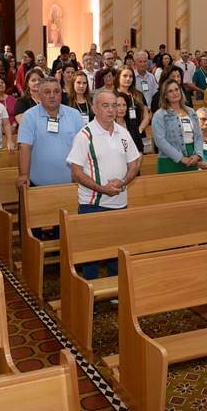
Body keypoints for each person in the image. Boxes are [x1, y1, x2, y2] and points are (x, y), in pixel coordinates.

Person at [65, 90, 141, 277]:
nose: (110, 110)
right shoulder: (85, 135)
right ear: (94, 108)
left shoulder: (123, 132)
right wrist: (103, 189)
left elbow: (134, 164)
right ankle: (88, 295)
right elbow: (76, 172)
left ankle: (116, 292)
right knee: (90, 255)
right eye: (105, 105)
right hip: (93, 204)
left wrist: (123, 182)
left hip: (120, 202)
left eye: (114, 105)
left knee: (117, 251)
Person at [16, 77, 86, 189]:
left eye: (56, 92)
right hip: (38, 186)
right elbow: (24, 148)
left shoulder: (74, 115)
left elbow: (84, 146)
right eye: (47, 92)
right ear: (39, 95)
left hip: (71, 184)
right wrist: (24, 175)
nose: (52, 95)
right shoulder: (29, 116)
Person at [151, 79, 202, 173]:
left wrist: (198, 155)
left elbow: (198, 136)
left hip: (192, 159)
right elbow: (160, 141)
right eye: (170, 91)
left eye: (176, 89)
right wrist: (180, 158)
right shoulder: (160, 115)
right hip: (169, 161)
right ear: (165, 96)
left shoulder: (191, 112)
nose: (175, 93)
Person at [116, 67, 150, 148]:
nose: (128, 79)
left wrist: (139, 130)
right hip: (119, 135)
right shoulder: (113, 94)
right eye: (125, 76)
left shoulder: (139, 94)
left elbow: (146, 116)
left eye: (131, 76)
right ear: (118, 77)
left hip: (138, 134)